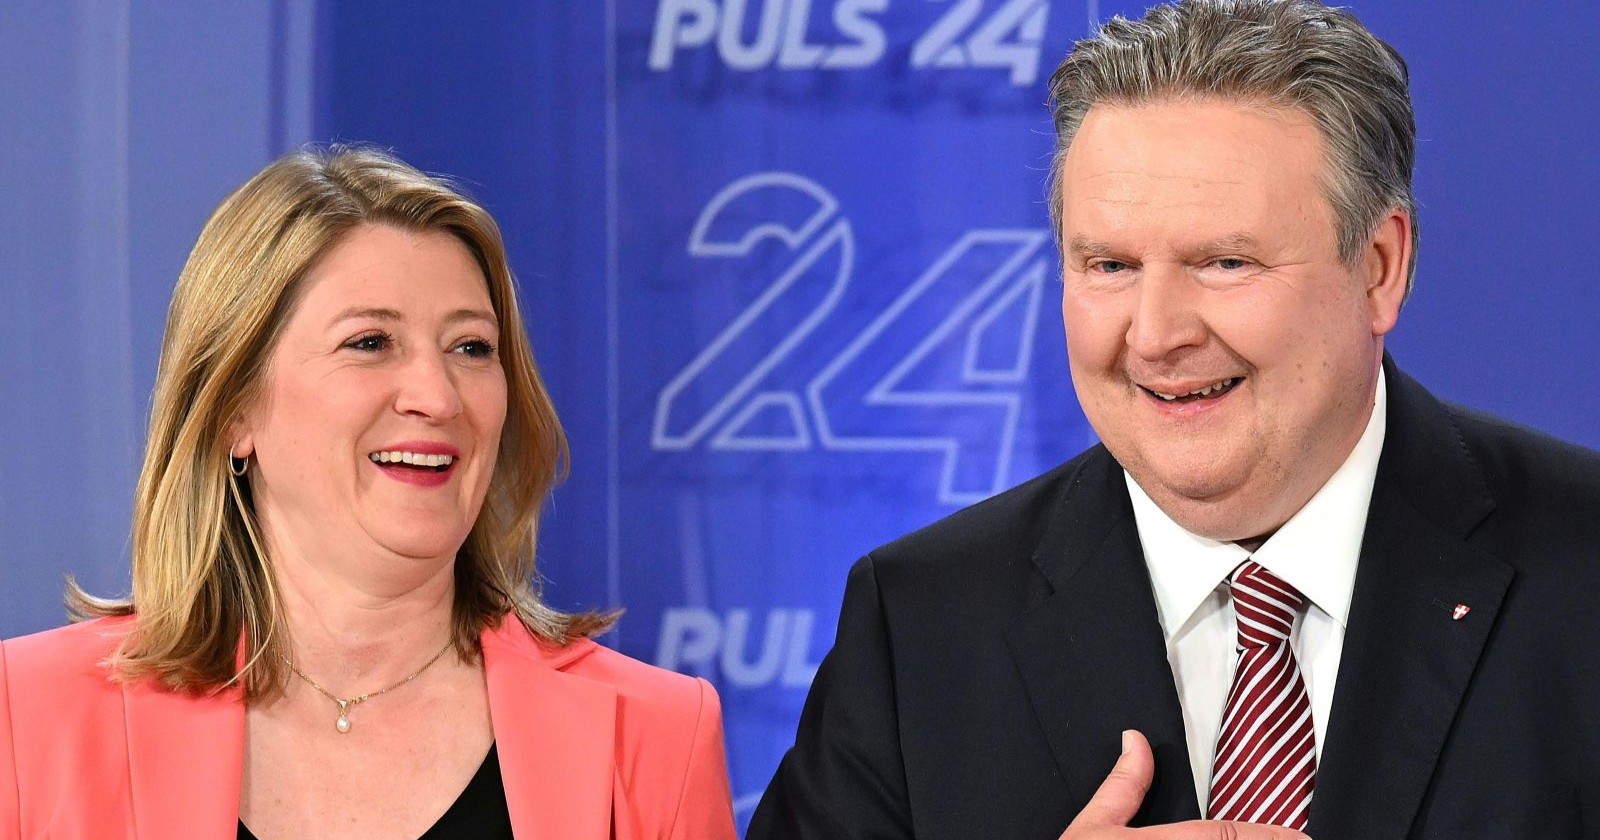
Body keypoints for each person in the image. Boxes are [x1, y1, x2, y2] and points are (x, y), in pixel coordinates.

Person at [748, 1, 1600, 838]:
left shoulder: (1582, 571)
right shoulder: (919, 625)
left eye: (1225, 262)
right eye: (1110, 265)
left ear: (1379, 268)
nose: (1155, 336)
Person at [0, 147, 737, 839]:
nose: (438, 396)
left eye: (471, 348)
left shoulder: (656, 734)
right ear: (234, 409)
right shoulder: (27, 717)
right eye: (371, 343)